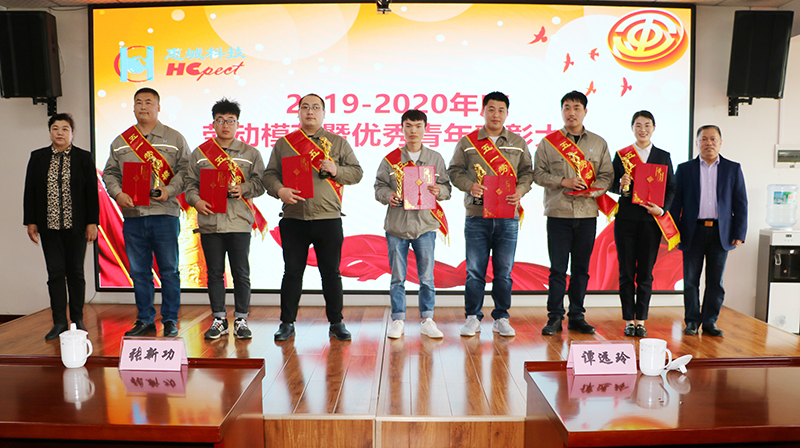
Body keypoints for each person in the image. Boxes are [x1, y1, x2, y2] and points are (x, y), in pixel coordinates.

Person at [263, 93, 363, 342]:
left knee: (331, 273)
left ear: (323, 113)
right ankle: (287, 323)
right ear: (298, 112)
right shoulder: (285, 143)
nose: (310, 111)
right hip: (294, 218)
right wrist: (279, 190)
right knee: (292, 273)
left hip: (328, 218)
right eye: (305, 107)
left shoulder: (337, 142)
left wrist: (337, 170)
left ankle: (336, 322)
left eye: (316, 107)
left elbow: (357, 173)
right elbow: (269, 175)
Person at [102, 87, 190, 338]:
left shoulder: (174, 138)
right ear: (133, 108)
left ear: (158, 107)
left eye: (149, 102)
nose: (143, 106)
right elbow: (110, 173)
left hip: (165, 214)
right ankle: (145, 320)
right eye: (138, 102)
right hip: (134, 216)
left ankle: (170, 319)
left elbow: (186, 171)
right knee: (139, 272)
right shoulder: (121, 141)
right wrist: (118, 194)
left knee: (169, 270)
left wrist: (169, 190)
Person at [447, 91, 534, 337]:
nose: (496, 114)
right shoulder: (468, 142)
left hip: (507, 215)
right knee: (475, 271)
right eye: (491, 109)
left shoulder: (517, 142)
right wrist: (469, 186)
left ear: (507, 113)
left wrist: (520, 190)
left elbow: (528, 173)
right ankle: (472, 317)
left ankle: (502, 317)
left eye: (501, 110)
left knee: (503, 272)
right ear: (483, 111)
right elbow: (454, 171)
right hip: (477, 215)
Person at [533, 90, 613, 336]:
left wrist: (594, 191)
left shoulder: (598, 143)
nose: (571, 112)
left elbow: (607, 175)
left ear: (585, 111)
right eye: (567, 107)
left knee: (581, 269)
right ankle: (555, 317)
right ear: (561, 111)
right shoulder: (549, 143)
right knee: (558, 269)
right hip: (558, 215)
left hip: (587, 214)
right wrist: (563, 181)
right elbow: (538, 174)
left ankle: (577, 316)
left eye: (577, 108)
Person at [185, 98, 265, 340]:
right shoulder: (200, 154)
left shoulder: (250, 153)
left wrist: (244, 188)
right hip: (210, 223)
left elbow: (261, 183)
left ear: (238, 124)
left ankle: (241, 319)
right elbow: (189, 185)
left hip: (239, 222)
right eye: (220, 120)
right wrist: (196, 201)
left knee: (241, 273)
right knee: (214, 273)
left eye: (231, 120)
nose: (226, 125)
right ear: (213, 124)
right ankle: (219, 319)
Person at [374, 109, 451, 339]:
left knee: (426, 278)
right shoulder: (391, 159)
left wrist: (439, 190)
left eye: (418, 126)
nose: (413, 130)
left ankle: (427, 319)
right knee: (398, 277)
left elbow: (448, 189)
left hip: (425, 226)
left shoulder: (435, 158)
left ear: (426, 129)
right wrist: (388, 195)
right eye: (408, 126)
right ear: (402, 128)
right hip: (397, 226)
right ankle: (398, 319)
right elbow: (378, 187)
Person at [24, 113, 100, 341]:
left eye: (65, 129)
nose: (59, 132)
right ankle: (58, 322)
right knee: (55, 273)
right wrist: (31, 221)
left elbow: (91, 193)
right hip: (49, 226)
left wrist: (92, 222)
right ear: (50, 132)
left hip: (77, 227)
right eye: (55, 128)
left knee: (75, 272)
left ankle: (77, 319)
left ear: (72, 133)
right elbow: (30, 190)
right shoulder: (38, 157)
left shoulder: (83, 158)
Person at [670, 125, 747, 337]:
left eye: (713, 139)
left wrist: (739, 233)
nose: (709, 143)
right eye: (704, 139)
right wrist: (672, 233)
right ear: (697, 143)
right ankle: (692, 321)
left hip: (721, 233)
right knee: (690, 281)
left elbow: (741, 203)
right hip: (692, 231)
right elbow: (675, 204)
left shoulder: (733, 168)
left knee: (715, 281)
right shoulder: (685, 169)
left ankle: (710, 321)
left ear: (720, 142)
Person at [610, 111, 676, 337]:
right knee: (626, 272)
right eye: (638, 125)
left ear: (654, 128)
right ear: (632, 128)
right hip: (626, 221)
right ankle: (629, 320)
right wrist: (621, 184)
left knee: (646, 273)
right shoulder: (622, 155)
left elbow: (671, 187)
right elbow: (611, 184)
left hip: (650, 221)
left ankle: (642, 320)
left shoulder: (663, 156)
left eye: (647, 125)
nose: (643, 130)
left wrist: (662, 209)